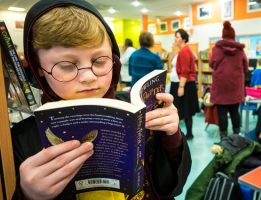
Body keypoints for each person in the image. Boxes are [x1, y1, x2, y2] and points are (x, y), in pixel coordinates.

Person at [11, 1, 191, 199]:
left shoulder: (137, 108)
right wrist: (28, 193)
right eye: (67, 65)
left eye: (99, 61)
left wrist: (172, 135)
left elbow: (171, 184)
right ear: (39, 70)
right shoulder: (22, 138)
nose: (88, 77)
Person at [210, 21, 248, 138]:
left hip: (220, 86)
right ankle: (237, 135)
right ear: (233, 35)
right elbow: (245, 67)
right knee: (234, 111)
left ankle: (224, 138)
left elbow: (212, 64)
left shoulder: (216, 49)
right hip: (235, 86)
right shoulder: (240, 50)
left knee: (222, 113)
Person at [170, 29, 199, 140]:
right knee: (183, 111)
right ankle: (184, 134)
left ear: (183, 39)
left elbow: (185, 71)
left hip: (184, 85)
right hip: (180, 84)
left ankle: (189, 134)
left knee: (186, 111)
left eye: (177, 37)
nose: (175, 39)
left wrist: (181, 87)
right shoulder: (182, 50)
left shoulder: (185, 51)